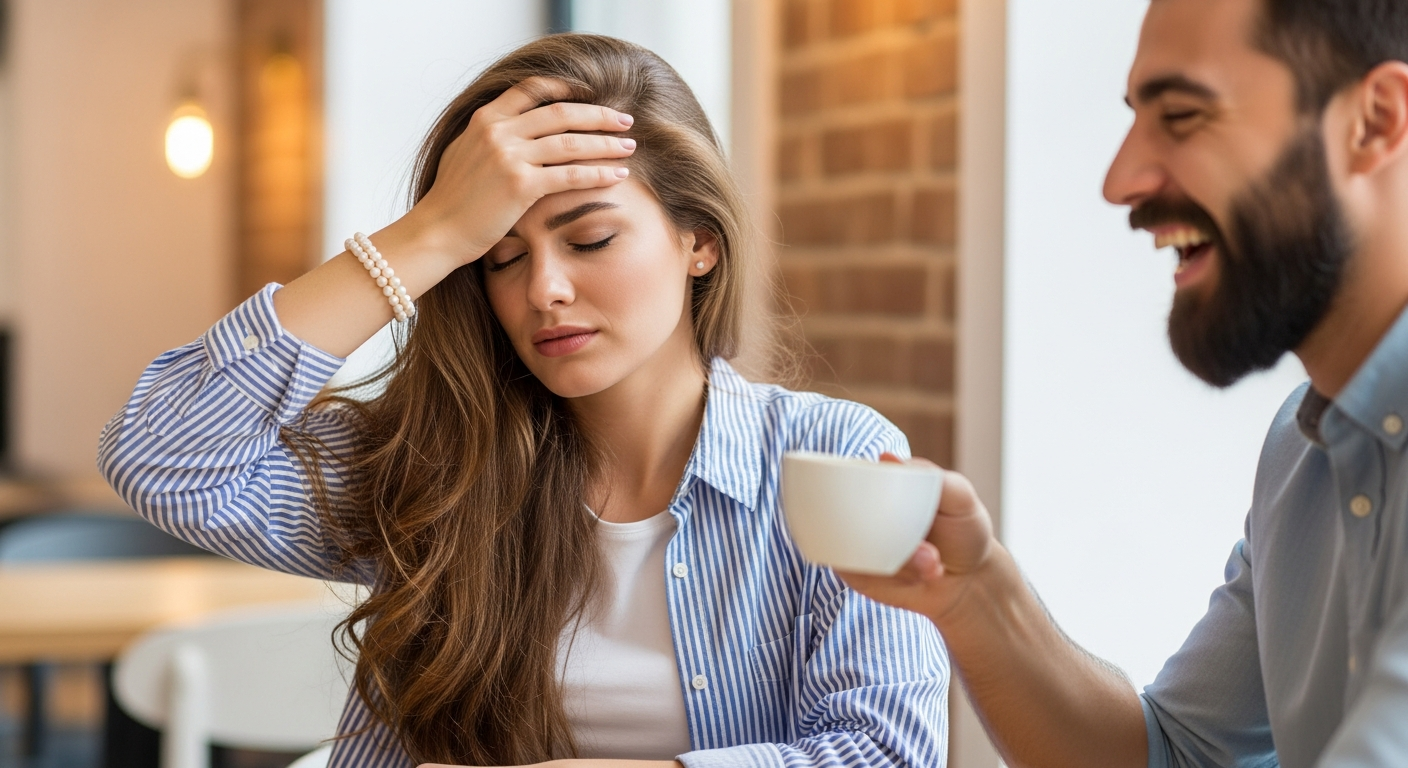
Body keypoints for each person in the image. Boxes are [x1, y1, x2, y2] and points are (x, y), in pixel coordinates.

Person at [98, 34, 949, 768]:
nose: (543, 289)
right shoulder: (436, 468)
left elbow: (885, 751)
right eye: (500, 257)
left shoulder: (826, 460)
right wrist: (428, 235)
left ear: (699, 243)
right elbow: (166, 460)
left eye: (590, 238)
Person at [843, 0, 1408, 765]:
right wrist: (974, 594)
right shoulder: (1301, 450)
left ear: (1375, 121)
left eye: (1182, 115)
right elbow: (1179, 754)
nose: (1119, 181)